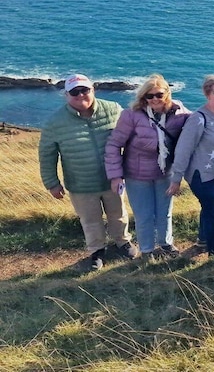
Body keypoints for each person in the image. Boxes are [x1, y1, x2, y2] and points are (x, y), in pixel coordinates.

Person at [39, 74, 139, 271]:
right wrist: (52, 183)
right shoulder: (54, 122)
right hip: (81, 183)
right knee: (90, 220)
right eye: (75, 92)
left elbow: (130, 138)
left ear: (93, 90)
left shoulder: (113, 109)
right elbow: (47, 154)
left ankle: (123, 242)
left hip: (112, 178)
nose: (80, 95)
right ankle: (97, 251)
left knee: (118, 214)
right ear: (66, 95)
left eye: (85, 90)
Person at [104, 74, 189, 260]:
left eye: (159, 94)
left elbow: (196, 124)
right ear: (143, 98)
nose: (154, 100)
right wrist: (115, 176)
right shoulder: (131, 115)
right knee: (144, 215)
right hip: (137, 175)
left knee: (164, 213)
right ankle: (147, 250)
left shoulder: (178, 112)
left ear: (167, 93)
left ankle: (166, 244)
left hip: (164, 173)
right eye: (149, 96)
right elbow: (113, 144)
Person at [168, 75, 214, 258]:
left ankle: (204, 239)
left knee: (209, 207)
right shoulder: (198, 118)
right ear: (207, 93)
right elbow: (183, 149)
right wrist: (176, 178)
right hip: (201, 175)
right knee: (211, 209)